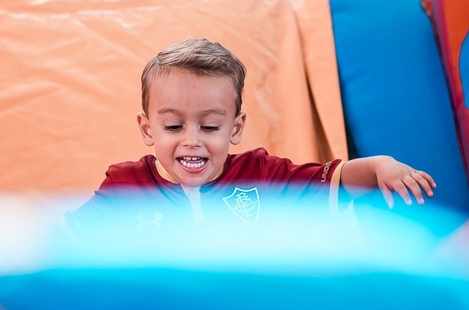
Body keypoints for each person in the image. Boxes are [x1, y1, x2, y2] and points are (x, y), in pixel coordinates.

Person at [67, 38, 435, 232]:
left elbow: (334, 182)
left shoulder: (261, 175)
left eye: (210, 126)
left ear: (236, 127)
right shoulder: (125, 185)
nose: (192, 140)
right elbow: (65, 242)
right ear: (147, 129)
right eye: (174, 126)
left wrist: (379, 167)